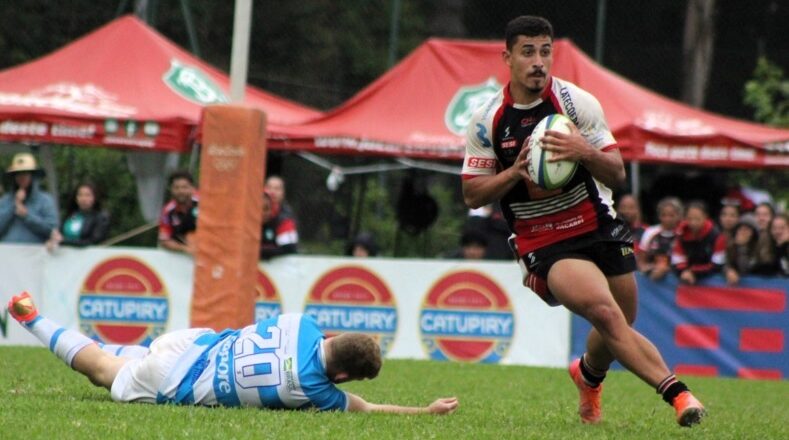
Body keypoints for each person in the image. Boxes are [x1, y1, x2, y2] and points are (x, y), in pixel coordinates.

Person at [460, 15, 704, 427]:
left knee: (621, 319)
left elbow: (617, 173)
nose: (538, 61)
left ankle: (588, 375)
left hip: (596, 223)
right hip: (544, 240)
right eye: (528, 52)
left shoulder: (576, 104)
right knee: (606, 314)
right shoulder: (487, 119)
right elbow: (472, 193)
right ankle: (679, 395)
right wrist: (515, 172)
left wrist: (582, 150)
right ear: (507, 58)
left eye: (545, 51)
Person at [7, 291, 458, 414]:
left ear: (333, 336)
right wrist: (425, 411)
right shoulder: (315, 391)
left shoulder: (301, 323)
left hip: (194, 341)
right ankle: (31, 318)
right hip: (179, 381)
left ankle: (50, 324)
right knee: (102, 370)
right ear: (341, 378)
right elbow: (369, 408)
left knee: (131, 358)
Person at [0, 153, 59, 244]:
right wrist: (14, 205)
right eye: (18, 174)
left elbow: (52, 230)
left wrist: (27, 216)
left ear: (33, 176)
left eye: (25, 173)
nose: (21, 177)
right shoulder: (5, 200)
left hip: (34, 251)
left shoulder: (45, 200)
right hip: (7, 250)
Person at [671, 201, 727, 285]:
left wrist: (693, 272)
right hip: (686, 277)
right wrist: (684, 271)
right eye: (689, 219)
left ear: (705, 217)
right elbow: (677, 260)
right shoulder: (680, 234)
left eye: (697, 219)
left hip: (710, 282)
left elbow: (717, 265)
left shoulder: (717, 236)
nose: (693, 223)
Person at [46, 182, 110, 249]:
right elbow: (59, 234)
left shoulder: (101, 217)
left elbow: (93, 242)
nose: (83, 199)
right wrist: (53, 240)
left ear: (95, 197)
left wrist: (64, 241)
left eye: (88, 195)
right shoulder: (71, 215)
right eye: (80, 195)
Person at [637, 197, 683, 280]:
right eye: (663, 215)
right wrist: (648, 268)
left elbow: (685, 262)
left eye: (671, 215)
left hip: (675, 276)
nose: (667, 219)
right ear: (659, 216)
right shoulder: (650, 232)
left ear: (679, 216)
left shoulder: (682, 233)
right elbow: (641, 260)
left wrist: (665, 269)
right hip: (651, 276)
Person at [158, 171, 198, 254]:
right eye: (176, 187)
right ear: (171, 189)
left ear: (192, 188)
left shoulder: (204, 202)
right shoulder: (167, 211)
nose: (181, 191)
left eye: (184, 187)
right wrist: (185, 248)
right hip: (182, 254)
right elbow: (164, 240)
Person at [723, 214, 760, 285]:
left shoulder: (757, 249)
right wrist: (728, 270)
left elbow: (745, 270)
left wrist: (742, 247)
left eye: (746, 230)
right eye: (740, 229)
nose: (742, 232)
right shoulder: (731, 246)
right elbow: (724, 263)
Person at [260, 191, 298, 259]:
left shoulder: (282, 221)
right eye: (259, 209)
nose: (263, 213)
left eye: (266, 209)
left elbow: (289, 248)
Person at [751, 202, 778, 275]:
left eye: (765, 215)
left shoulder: (778, 238)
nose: (761, 218)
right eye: (758, 215)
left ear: (772, 217)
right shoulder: (748, 236)